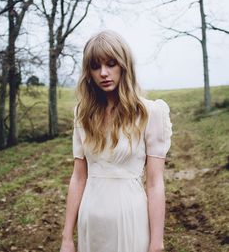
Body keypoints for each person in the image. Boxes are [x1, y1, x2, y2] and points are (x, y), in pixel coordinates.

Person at [60, 30, 173, 252]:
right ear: (88, 72)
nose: (103, 73)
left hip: (131, 218)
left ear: (124, 65)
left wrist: (156, 242)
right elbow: (78, 176)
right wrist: (67, 238)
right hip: (90, 220)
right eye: (95, 66)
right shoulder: (82, 114)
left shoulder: (150, 112)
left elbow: (154, 182)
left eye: (111, 64)